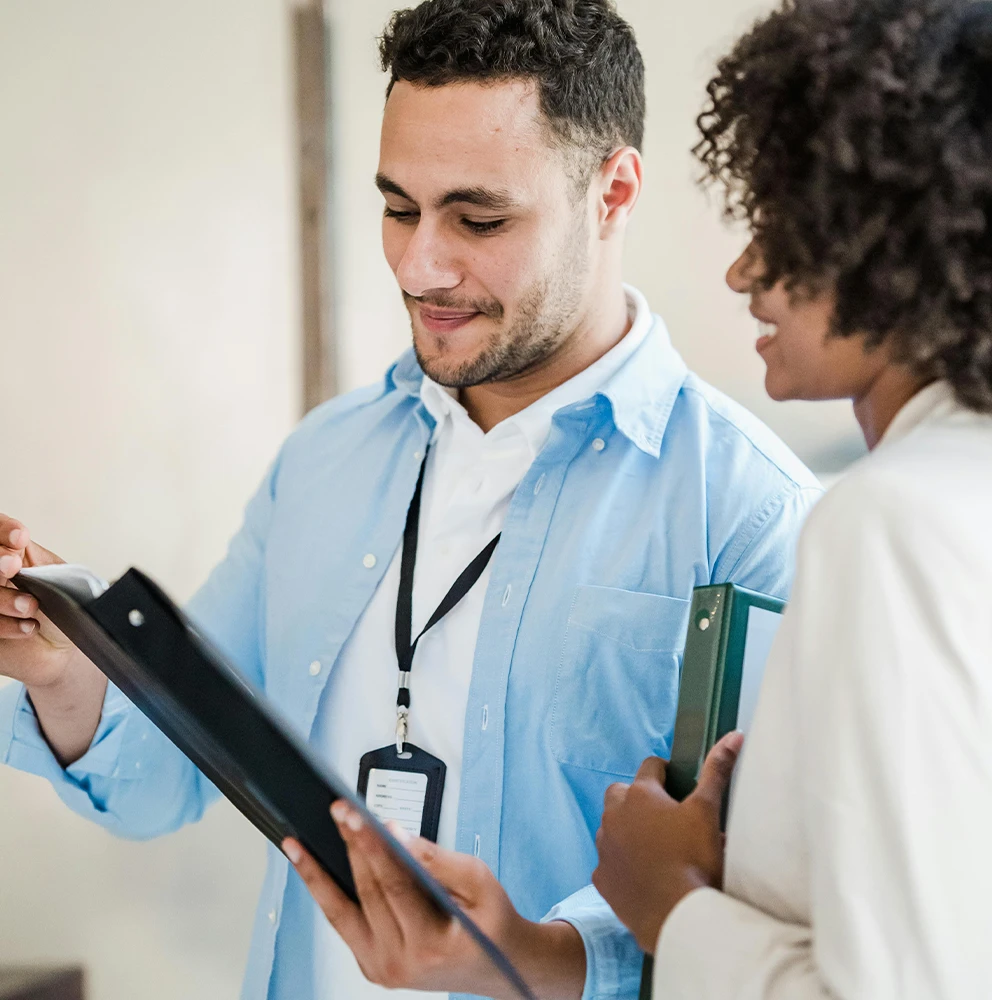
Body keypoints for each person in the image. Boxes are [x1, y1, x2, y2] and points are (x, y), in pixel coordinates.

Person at [0, 2, 821, 1000]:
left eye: (476, 218)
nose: (419, 265)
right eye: (398, 207)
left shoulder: (755, 513)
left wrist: (539, 953)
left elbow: (760, 924)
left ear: (612, 190)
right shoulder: (322, 460)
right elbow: (157, 779)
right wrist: (60, 675)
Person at [589, 0, 992, 996]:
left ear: (892, 233)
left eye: (779, 219)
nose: (743, 269)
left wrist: (668, 899)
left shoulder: (888, 520)